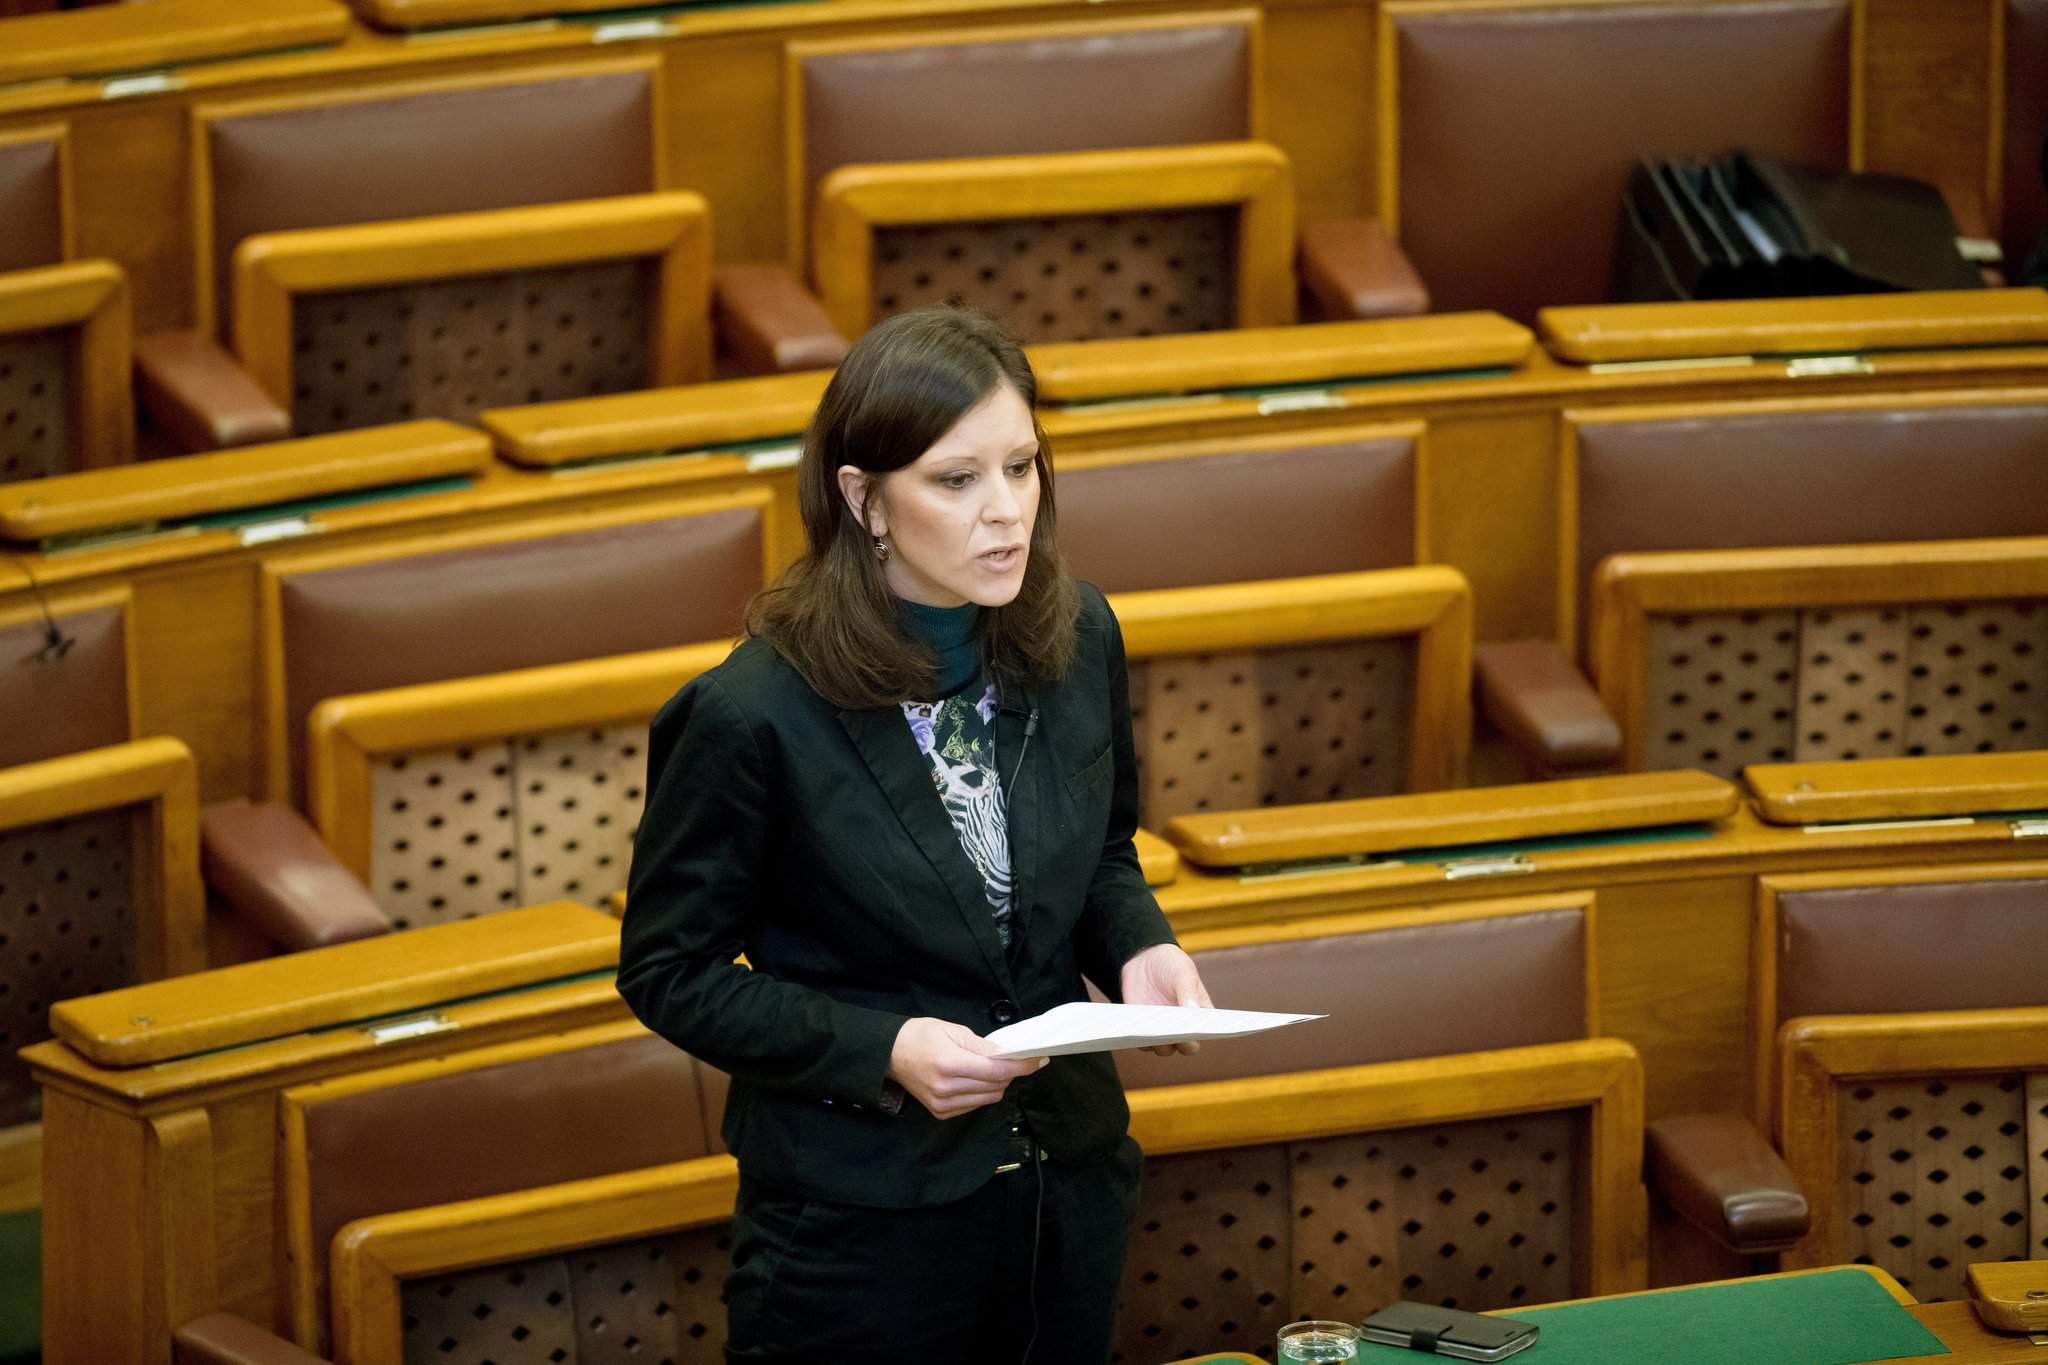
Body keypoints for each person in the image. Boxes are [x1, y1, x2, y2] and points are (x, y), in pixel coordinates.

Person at [617, 305, 1214, 1365]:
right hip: (858, 1231)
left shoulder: (1077, 634)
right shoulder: (750, 714)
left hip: (1064, 1188)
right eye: (957, 480)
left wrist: (1138, 946)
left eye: (1022, 468)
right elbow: (670, 970)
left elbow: (1102, 853)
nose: (1006, 511)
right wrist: (880, 1048)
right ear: (864, 500)